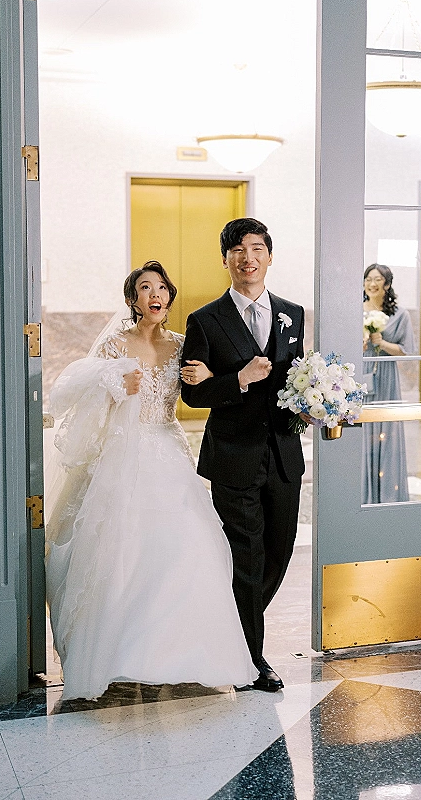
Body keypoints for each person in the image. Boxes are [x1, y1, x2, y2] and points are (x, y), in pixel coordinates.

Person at [45, 260, 257, 701]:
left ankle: (180, 656)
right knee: (119, 553)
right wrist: (114, 385)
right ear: (132, 299)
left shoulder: (182, 345)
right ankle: (122, 656)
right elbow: (84, 399)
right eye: (145, 288)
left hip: (168, 452)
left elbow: (202, 390)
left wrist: (208, 377)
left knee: (186, 549)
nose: (155, 294)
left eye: (161, 287)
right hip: (123, 457)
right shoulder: (115, 345)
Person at [181, 218, 305, 693]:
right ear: (226, 259)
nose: (247, 257)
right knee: (246, 556)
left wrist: (316, 400)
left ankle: (236, 630)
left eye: (256, 248)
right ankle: (252, 659)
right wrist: (239, 379)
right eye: (237, 250)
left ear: (270, 256)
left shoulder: (292, 313)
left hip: (284, 455)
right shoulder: (205, 321)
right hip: (233, 456)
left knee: (280, 550)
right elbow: (193, 394)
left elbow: (297, 377)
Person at [362, 263, 415, 503]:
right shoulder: (355, 310)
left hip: (387, 378)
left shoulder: (400, 315)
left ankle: (388, 494)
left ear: (387, 284)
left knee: (388, 431)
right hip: (361, 376)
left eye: (378, 279)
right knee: (361, 431)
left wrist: (380, 342)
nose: (372, 284)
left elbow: (407, 353)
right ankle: (364, 493)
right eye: (368, 279)